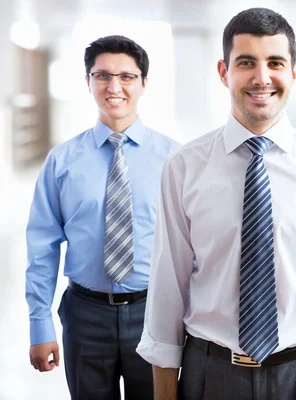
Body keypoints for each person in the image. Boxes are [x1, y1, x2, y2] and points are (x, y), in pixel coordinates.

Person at [136, 7, 296, 400]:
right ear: (223, 71)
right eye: (246, 62)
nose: (262, 77)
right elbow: (167, 289)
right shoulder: (184, 168)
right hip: (210, 373)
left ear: (294, 73)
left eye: (275, 62)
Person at [25, 35, 180, 399]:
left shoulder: (175, 159)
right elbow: (42, 246)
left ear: (144, 84)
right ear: (88, 82)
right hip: (85, 316)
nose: (114, 87)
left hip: (154, 314)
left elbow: (192, 248)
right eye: (102, 76)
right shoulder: (62, 162)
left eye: (127, 77)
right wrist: (39, 324)